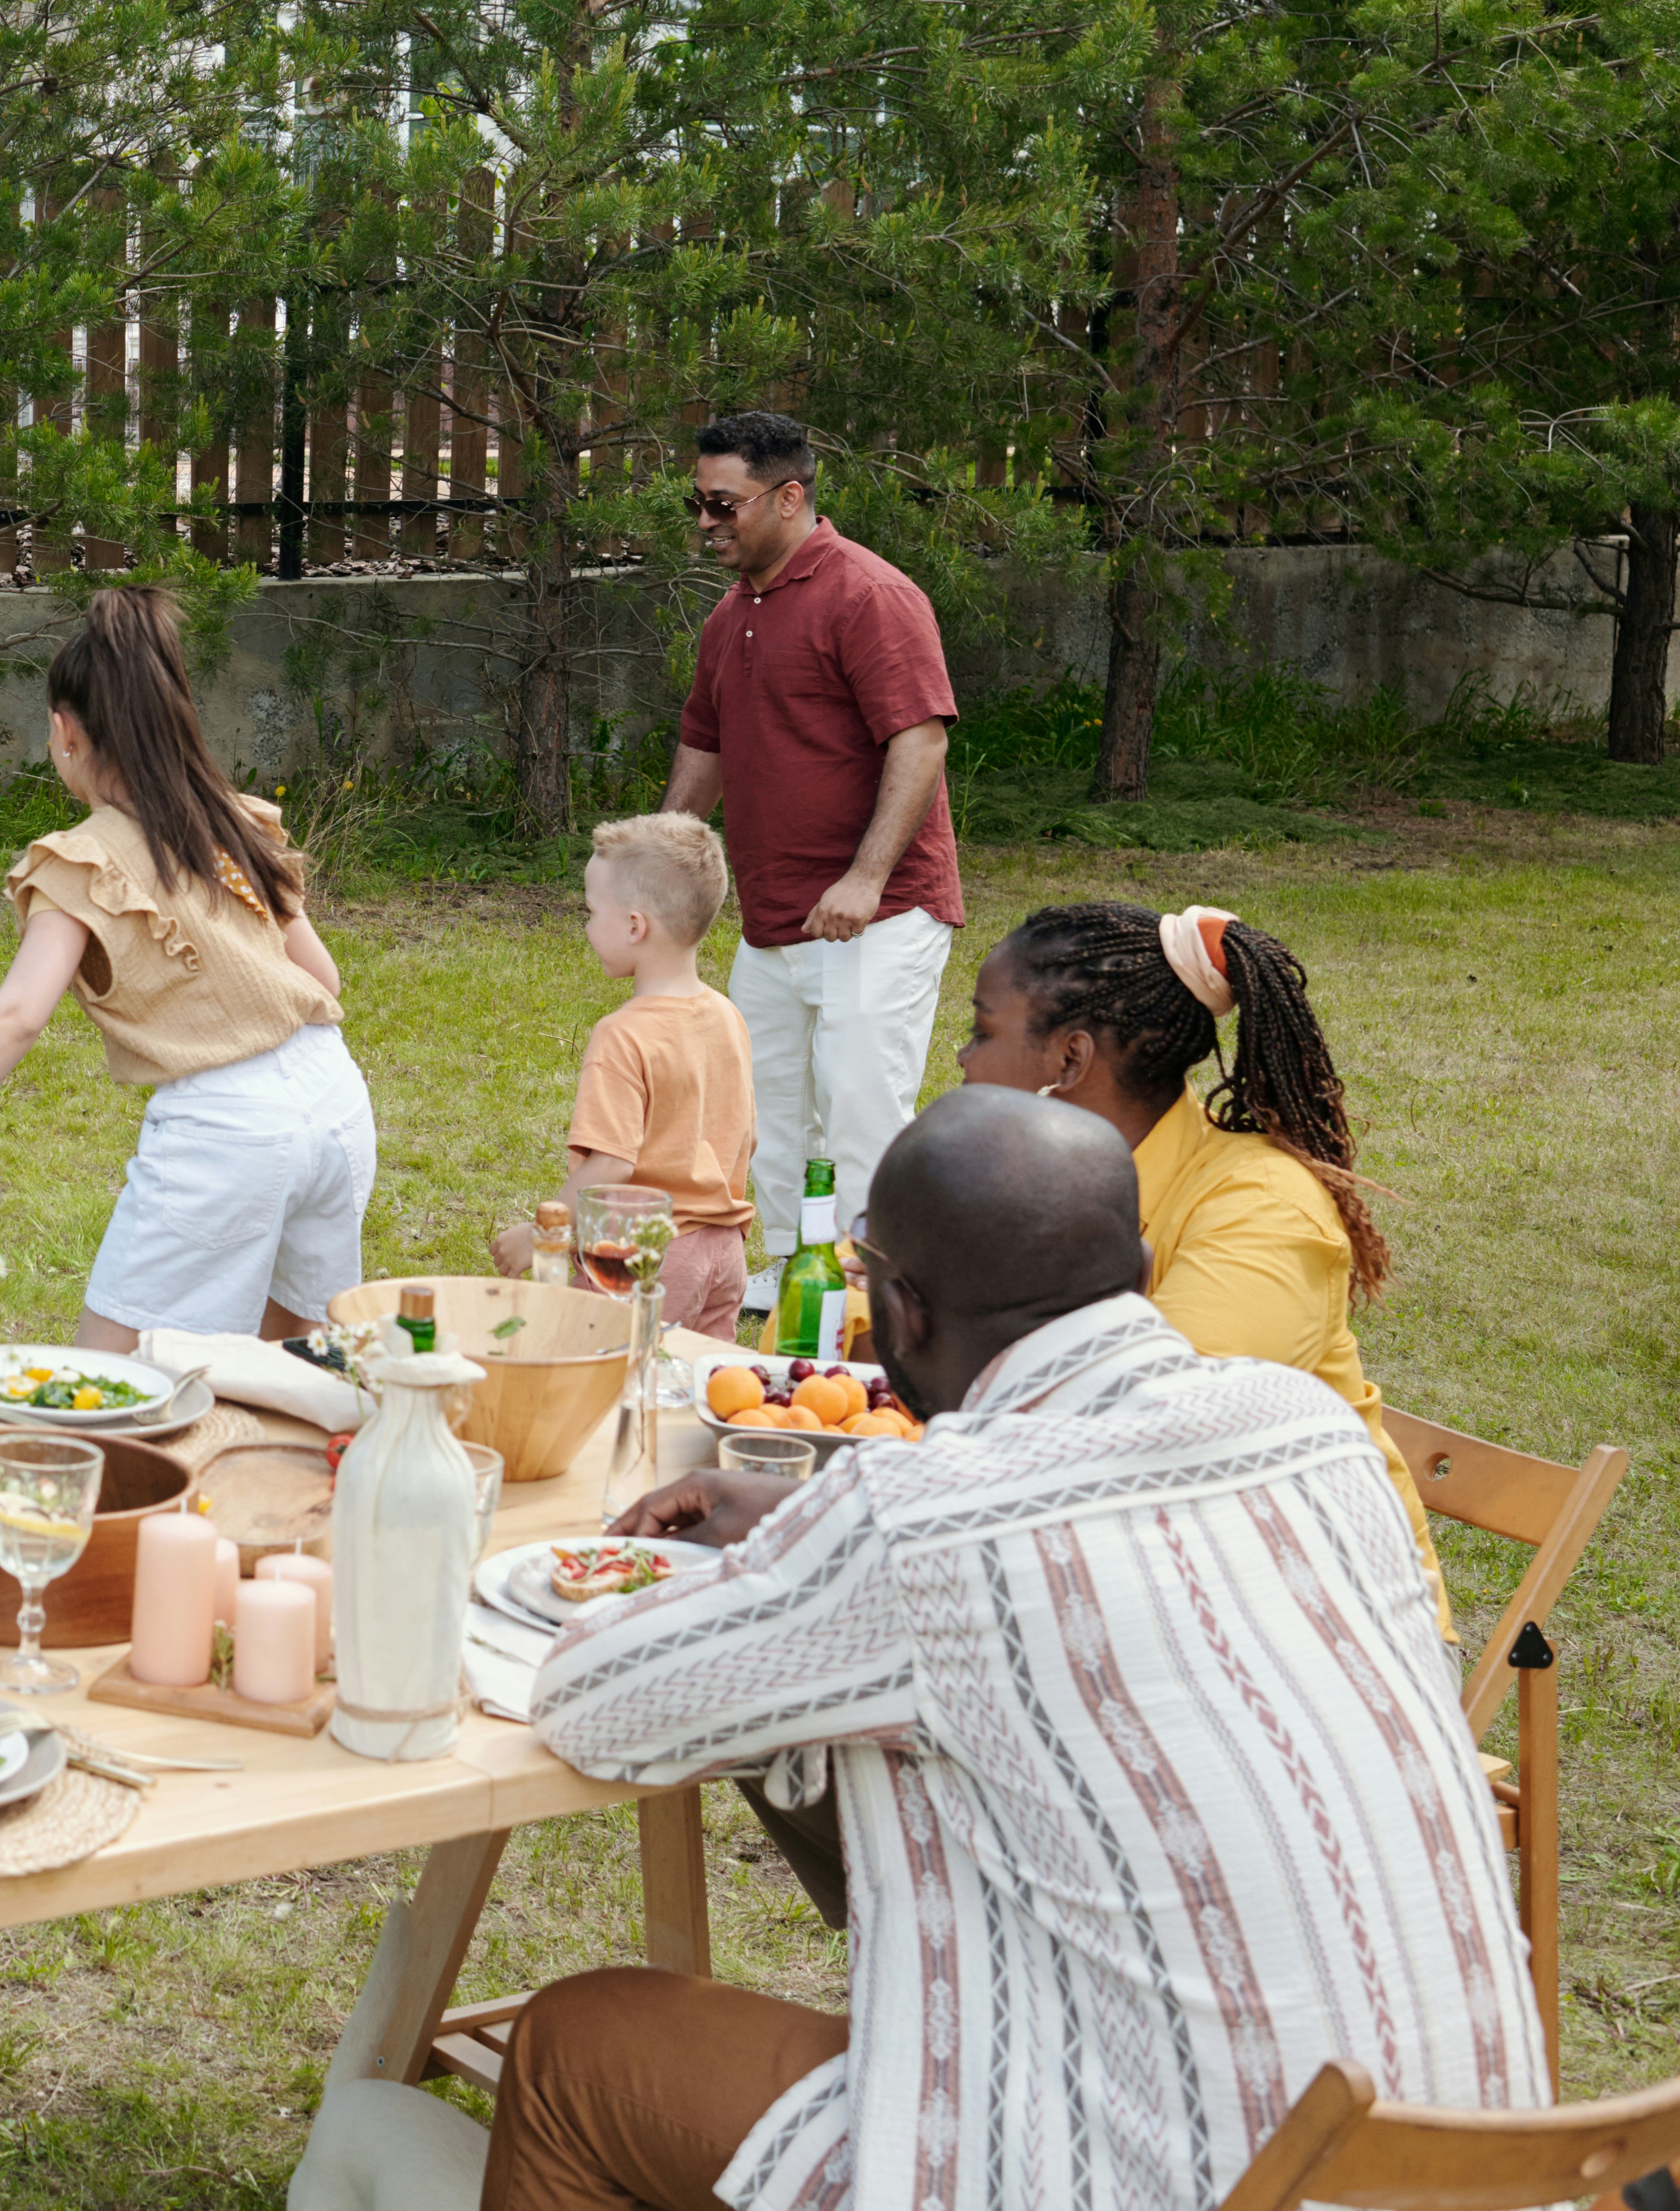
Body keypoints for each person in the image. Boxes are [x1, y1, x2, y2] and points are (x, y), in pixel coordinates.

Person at [480, 1085, 1534, 2211]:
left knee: (574, 2047)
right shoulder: (1309, 1429)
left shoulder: (925, 1518)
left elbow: (596, 1699)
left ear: (900, 1310)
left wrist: (800, 1550)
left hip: (1157, 2179)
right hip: (1474, 2173)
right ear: (1135, 1262)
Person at [0, 586, 374, 1350]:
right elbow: (325, 983)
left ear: (64, 732)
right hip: (335, 1100)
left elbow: (18, 1015)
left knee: (117, 1381)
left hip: (227, 1126)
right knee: (293, 1365)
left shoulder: (80, 863)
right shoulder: (230, 820)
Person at [954, 896, 1445, 1612]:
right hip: (1136, 1570)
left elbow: (1156, 1437)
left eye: (981, 1030)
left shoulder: (1264, 1206)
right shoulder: (1017, 1170)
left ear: (1071, 1059)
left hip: (1326, 1618)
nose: (963, 1058)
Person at [657, 410, 960, 1309]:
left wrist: (864, 878)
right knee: (767, 1118)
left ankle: (871, 1293)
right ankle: (785, 1275)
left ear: (789, 497)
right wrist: (657, 868)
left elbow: (920, 741)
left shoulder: (869, 595)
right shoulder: (730, 616)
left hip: (883, 914)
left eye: (722, 504)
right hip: (772, 921)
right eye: (697, 503)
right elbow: (702, 748)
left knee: (862, 1114)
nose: (705, 523)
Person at [484, 811, 756, 1329]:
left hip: (644, 1257)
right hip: (724, 1252)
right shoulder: (728, 1015)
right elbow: (750, 1135)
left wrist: (544, 1232)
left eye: (590, 911)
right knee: (690, 1394)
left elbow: (612, 1165)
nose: (586, 924)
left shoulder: (622, 1033)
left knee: (609, 1387)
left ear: (635, 926)